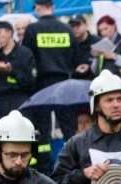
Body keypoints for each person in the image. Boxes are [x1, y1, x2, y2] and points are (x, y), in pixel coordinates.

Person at [23, 0, 81, 173]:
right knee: (68, 128)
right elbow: (75, 58)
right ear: (53, 7)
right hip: (64, 83)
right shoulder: (66, 29)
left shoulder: (32, 29)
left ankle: (43, 170)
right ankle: (74, 166)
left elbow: (27, 57)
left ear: (38, 8)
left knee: (43, 130)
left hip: (42, 84)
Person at [0, 20, 36, 147]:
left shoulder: (24, 53)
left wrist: (10, 71)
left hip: (18, 100)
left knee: (20, 138)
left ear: (9, 33)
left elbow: (30, 80)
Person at [68, 14, 100, 81]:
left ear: (86, 25)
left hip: (95, 82)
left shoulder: (97, 42)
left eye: (78, 25)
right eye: (72, 26)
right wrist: (75, 71)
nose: (75, 28)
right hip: (76, 82)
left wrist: (90, 67)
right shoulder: (69, 44)